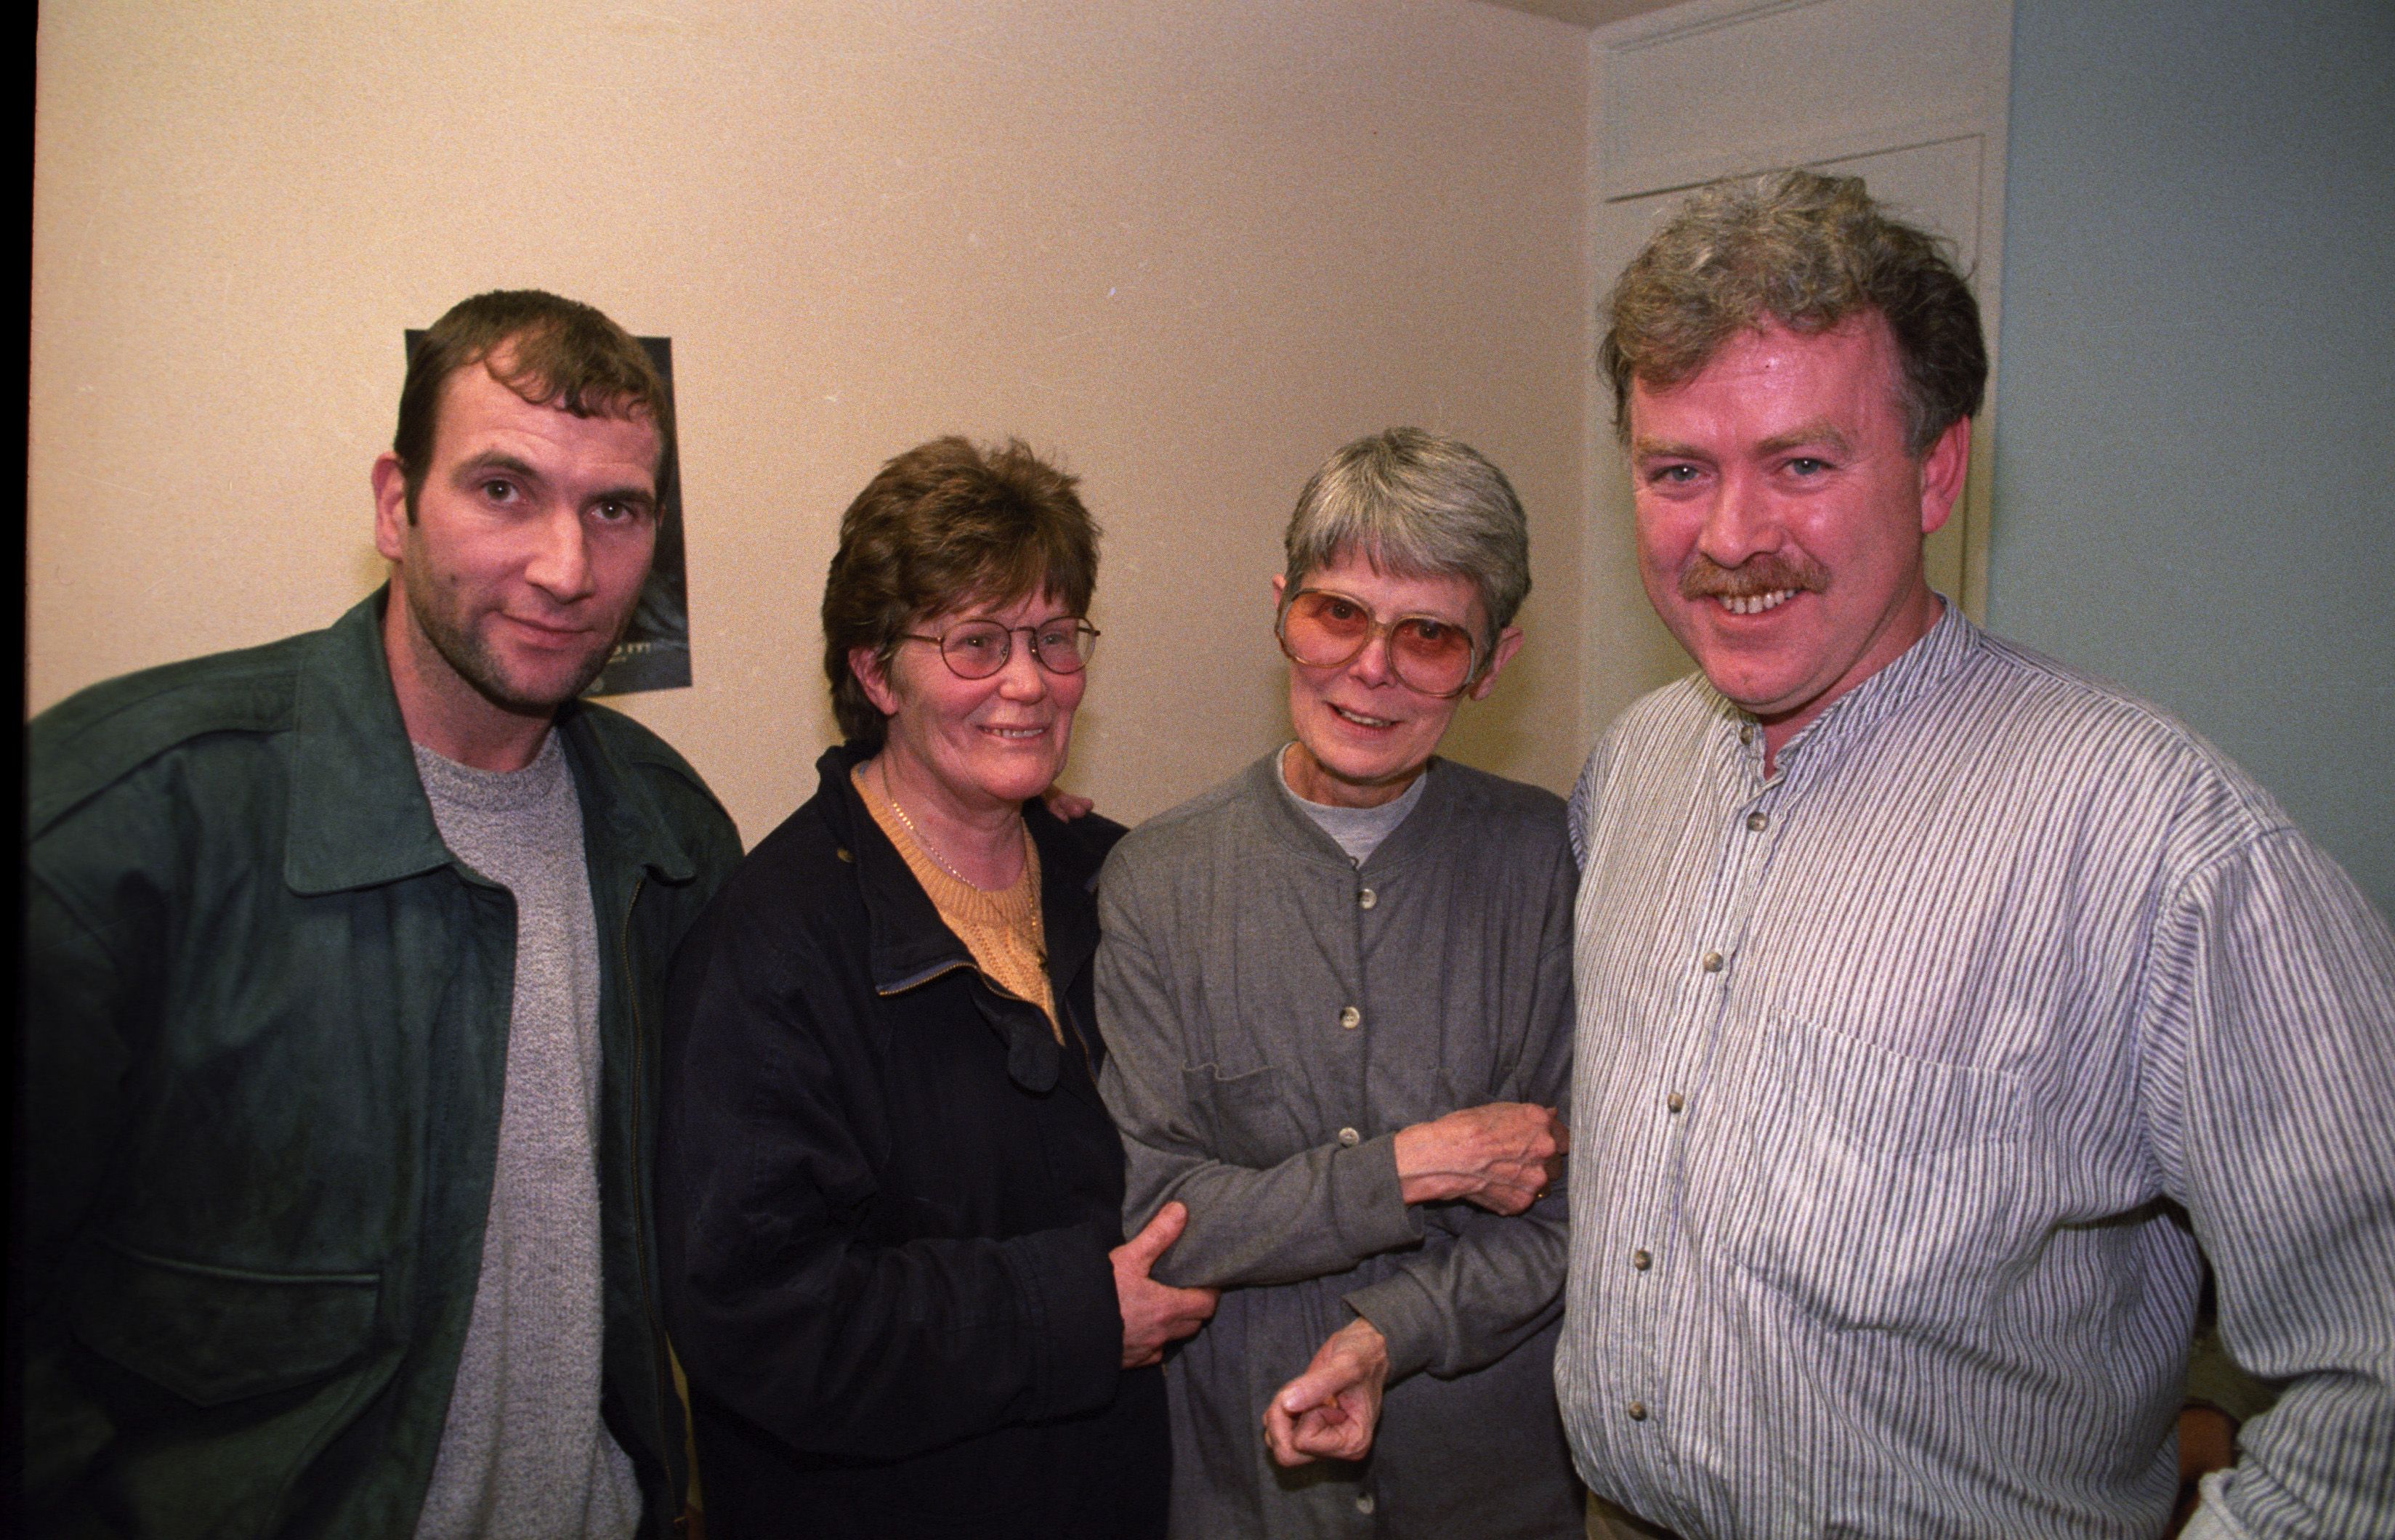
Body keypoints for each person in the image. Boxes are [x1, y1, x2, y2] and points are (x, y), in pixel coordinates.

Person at [1556, 169, 2395, 1539]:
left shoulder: (2163, 847)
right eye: (1677, 471)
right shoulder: (1635, 769)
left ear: (1936, 468)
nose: (1730, 537)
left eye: (1804, 463)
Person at [21, 289, 743, 1539]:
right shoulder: (128, 821)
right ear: (395, 504)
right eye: (504, 489)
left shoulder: (672, 836)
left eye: (613, 509)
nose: (566, 569)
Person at [655, 436, 1214, 1539]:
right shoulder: (771, 946)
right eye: (975, 643)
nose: (1028, 682)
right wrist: (1071, 1315)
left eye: (1054, 639)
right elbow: (760, 1320)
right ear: (875, 673)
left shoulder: (1117, 877)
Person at [1095, 429, 1584, 1537]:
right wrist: (1415, 1168)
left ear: (1490, 664)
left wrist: (1384, 1335)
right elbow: (1159, 1212)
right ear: (1281, 611)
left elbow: (1565, 1214)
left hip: (1491, 1491)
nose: (1372, 669)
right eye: (1337, 614)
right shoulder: (1159, 881)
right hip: (1241, 1491)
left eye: (1427, 635)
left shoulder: (1544, 861)